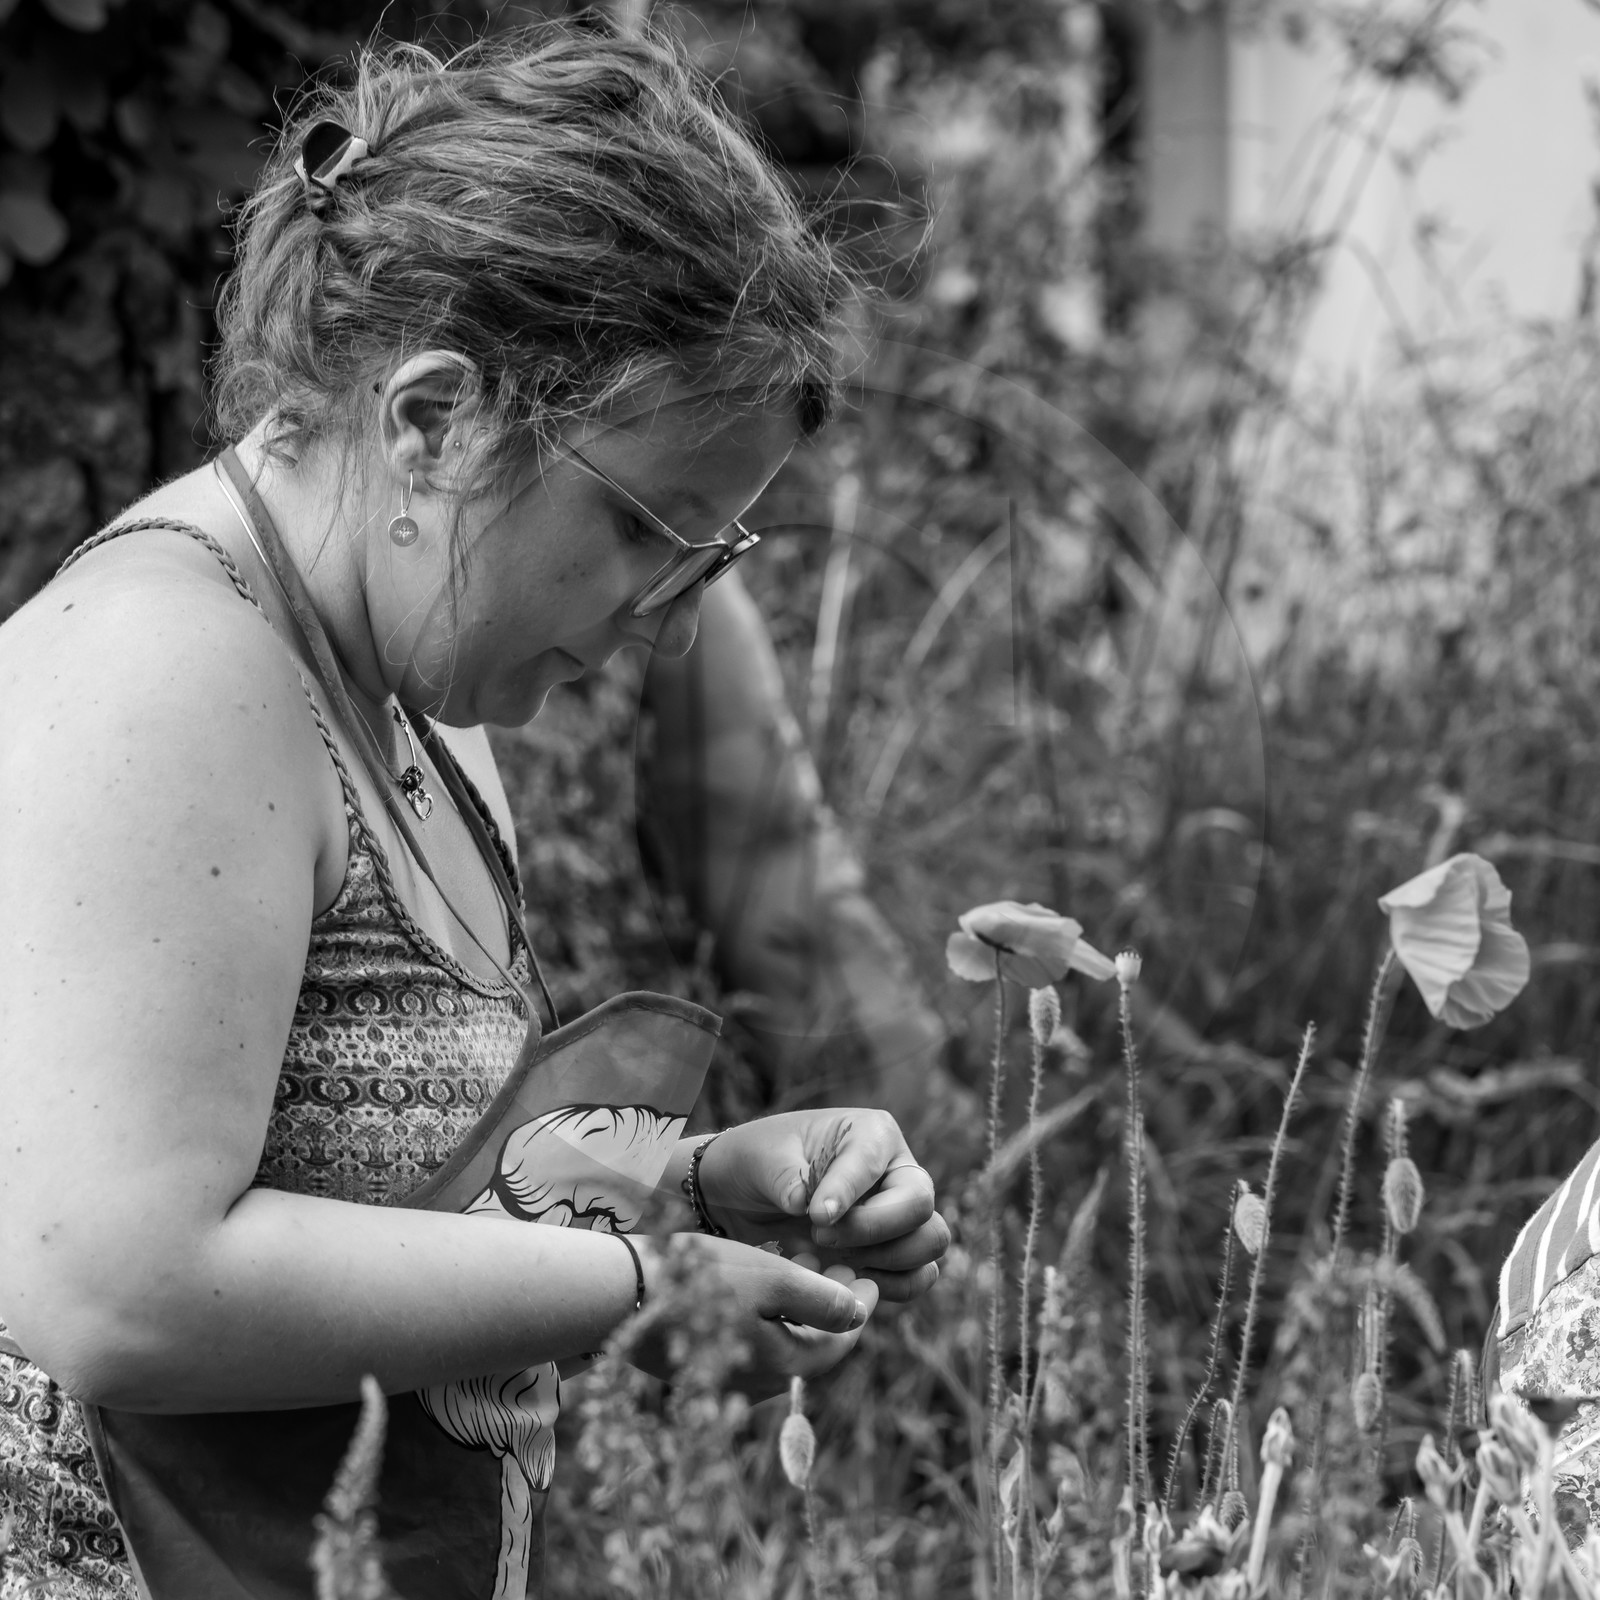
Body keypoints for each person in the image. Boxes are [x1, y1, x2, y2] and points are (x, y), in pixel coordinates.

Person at [0, 21, 947, 1599]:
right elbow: (117, 1288)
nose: (666, 624)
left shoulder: (401, 689)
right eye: (648, 531)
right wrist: (645, 1282)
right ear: (436, 418)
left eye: (711, 561)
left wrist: (698, 1181)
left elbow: (397, 1193)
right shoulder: (172, 676)